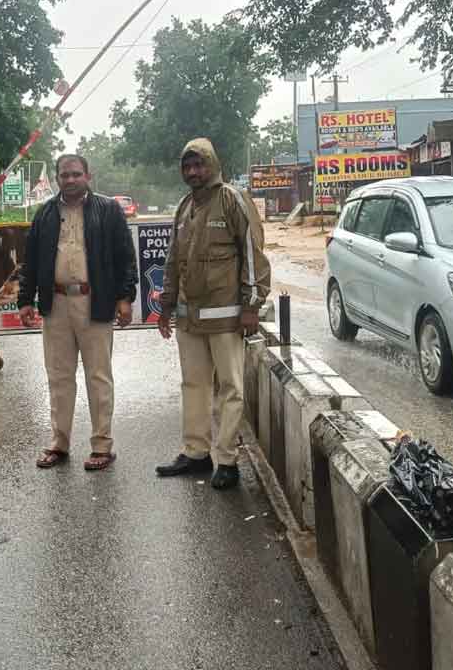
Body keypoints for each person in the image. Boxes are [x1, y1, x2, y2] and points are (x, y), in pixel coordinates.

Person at [155, 139, 270, 490]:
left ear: (213, 165)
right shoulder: (184, 207)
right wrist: (166, 305)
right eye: (187, 166)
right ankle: (196, 453)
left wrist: (251, 306)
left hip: (226, 316)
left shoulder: (232, 199)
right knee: (194, 385)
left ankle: (228, 460)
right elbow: (173, 259)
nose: (193, 172)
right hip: (189, 318)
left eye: (199, 165)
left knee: (231, 387)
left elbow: (253, 254)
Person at [18, 154, 138, 471]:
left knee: (98, 376)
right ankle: (59, 443)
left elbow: (125, 257)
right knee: (59, 376)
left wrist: (125, 297)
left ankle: (102, 445)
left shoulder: (108, 210)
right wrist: (25, 299)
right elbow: (31, 261)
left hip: (94, 302)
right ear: (57, 179)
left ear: (88, 176)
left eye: (75, 174)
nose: (70, 180)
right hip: (55, 304)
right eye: (64, 175)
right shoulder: (45, 213)